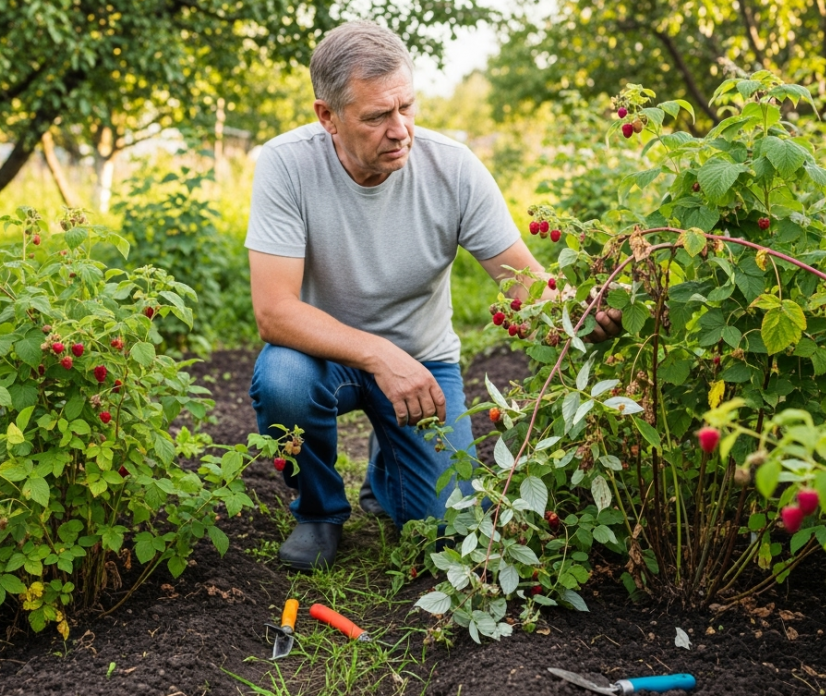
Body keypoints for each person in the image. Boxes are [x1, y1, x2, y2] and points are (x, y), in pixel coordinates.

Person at [245, 20, 622, 571]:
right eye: (377, 117)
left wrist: (583, 310)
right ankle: (320, 513)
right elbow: (274, 312)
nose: (401, 130)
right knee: (282, 380)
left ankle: (387, 469)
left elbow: (522, 280)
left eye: (407, 108)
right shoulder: (288, 164)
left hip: (425, 367)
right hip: (322, 360)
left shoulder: (453, 168)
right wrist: (380, 355)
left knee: (446, 529)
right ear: (327, 116)